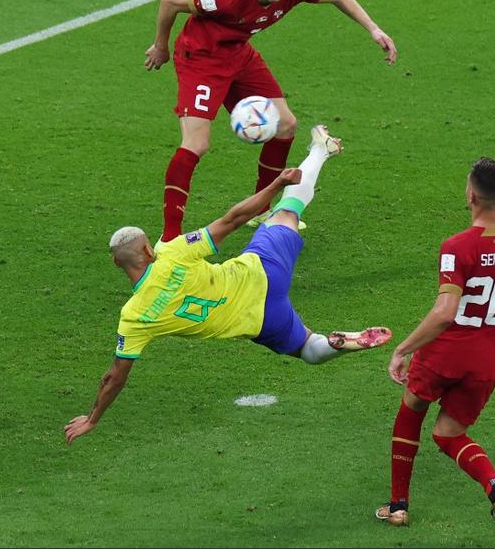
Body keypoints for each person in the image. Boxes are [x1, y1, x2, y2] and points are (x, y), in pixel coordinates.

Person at [64, 124, 392, 445]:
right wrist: (277, 183)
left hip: (261, 320)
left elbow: (115, 376)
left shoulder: (135, 318)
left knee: (308, 349)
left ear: (116, 263)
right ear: (149, 250)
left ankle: (334, 345)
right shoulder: (173, 253)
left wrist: (93, 418)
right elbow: (233, 219)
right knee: (288, 210)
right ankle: (320, 150)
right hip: (262, 269)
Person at [144, 0, 397, 244]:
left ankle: (260, 209)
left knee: (286, 125)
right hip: (201, 57)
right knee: (197, 143)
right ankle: (169, 237)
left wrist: (374, 29)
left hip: (238, 53)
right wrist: (160, 46)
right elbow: (170, 2)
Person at [374, 157, 495, 536]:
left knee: (412, 409)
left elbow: (444, 313)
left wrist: (403, 349)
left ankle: (398, 507)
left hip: (444, 354)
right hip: (486, 364)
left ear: (470, 194)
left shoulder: (457, 246)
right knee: (448, 434)